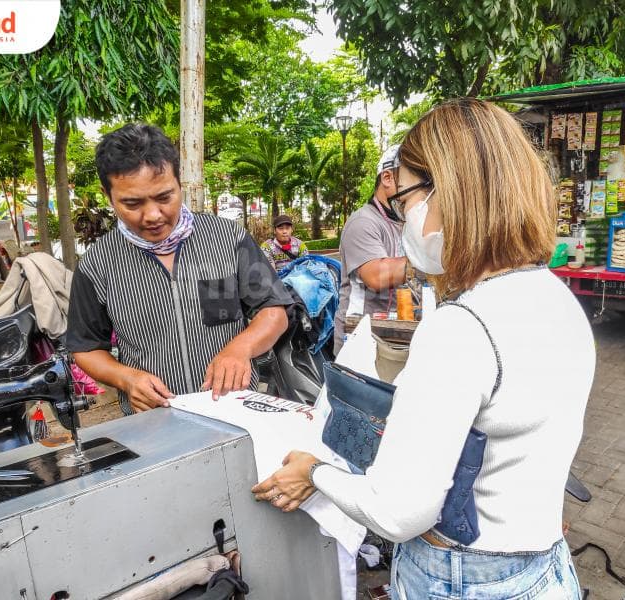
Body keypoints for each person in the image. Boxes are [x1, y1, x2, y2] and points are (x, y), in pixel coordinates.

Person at [251, 98, 594, 598]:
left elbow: (397, 511)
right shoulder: (556, 298)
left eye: (406, 199)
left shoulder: (462, 326)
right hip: (542, 565)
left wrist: (314, 471)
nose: (404, 215)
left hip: (464, 576)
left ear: (448, 193)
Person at [66, 124, 293, 414]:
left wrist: (241, 347)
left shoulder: (228, 238)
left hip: (234, 410)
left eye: (164, 197)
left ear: (179, 183)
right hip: (154, 422)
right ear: (108, 195)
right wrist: (126, 378)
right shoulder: (96, 264)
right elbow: (85, 347)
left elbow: (274, 311)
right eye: (132, 203)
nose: (152, 215)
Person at [333, 145, 409, 354]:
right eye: (410, 179)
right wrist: (428, 259)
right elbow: (376, 275)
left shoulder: (405, 223)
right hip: (359, 338)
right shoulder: (363, 222)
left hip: (392, 335)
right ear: (387, 178)